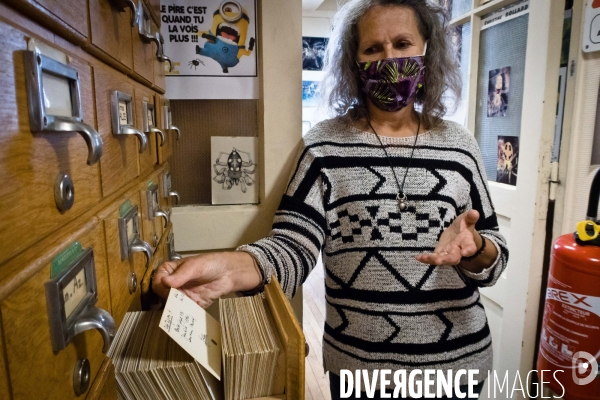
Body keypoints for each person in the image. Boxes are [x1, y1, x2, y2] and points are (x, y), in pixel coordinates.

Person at [152, 1, 508, 398]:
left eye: (403, 43)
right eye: (373, 49)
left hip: (456, 367)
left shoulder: (460, 146)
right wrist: (232, 269)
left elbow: (495, 260)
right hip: (358, 372)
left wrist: (477, 248)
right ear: (354, 62)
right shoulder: (322, 146)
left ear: (428, 50)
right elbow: (293, 244)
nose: (389, 58)